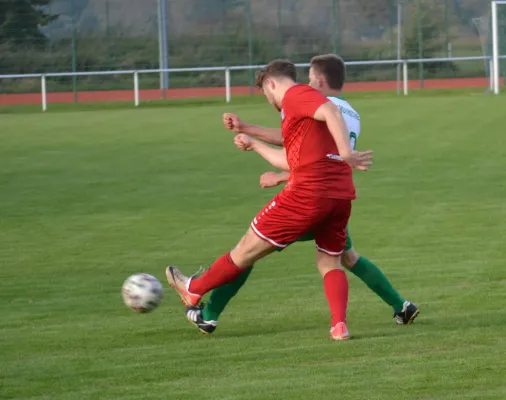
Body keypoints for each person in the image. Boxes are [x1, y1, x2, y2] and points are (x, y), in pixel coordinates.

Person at [185, 55, 419, 336]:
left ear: (319, 80)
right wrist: (252, 135)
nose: (305, 84)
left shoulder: (310, 102)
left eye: (309, 79)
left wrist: (268, 156)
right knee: (344, 258)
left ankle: (207, 312)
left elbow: (304, 149)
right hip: (337, 194)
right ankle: (397, 306)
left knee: (249, 251)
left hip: (308, 196)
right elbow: (315, 152)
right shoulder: (351, 113)